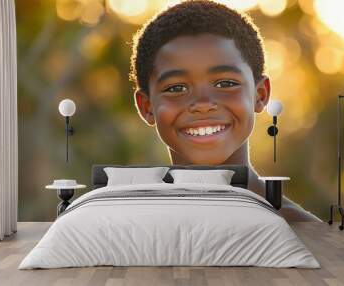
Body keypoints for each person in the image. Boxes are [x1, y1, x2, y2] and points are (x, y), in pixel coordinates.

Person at [129, 0, 320, 222]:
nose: (202, 103)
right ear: (147, 107)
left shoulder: (308, 237)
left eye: (225, 84)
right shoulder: (125, 232)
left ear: (260, 95)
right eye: (176, 88)